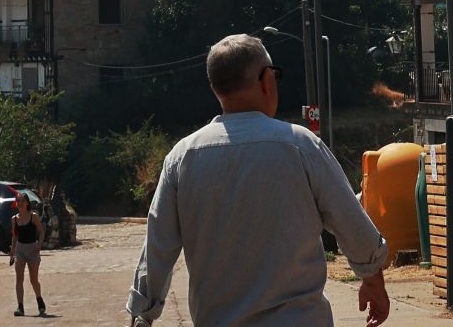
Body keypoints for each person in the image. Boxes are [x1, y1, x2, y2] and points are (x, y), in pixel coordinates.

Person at [126, 34, 390, 327]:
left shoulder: (182, 157)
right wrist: (373, 281)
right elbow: (351, 223)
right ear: (266, 80)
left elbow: (157, 246)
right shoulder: (300, 145)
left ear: (215, 89)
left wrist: (143, 313)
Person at [10, 191, 45, 315]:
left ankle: (39, 299)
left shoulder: (33, 216)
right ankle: (20, 307)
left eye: (22, 201)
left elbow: (41, 231)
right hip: (20, 250)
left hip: (32, 249)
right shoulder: (14, 219)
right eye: (18, 201)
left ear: (27, 203)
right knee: (19, 279)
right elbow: (15, 236)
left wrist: (39, 245)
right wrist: (12, 252)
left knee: (33, 280)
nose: (20, 203)